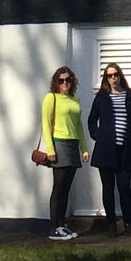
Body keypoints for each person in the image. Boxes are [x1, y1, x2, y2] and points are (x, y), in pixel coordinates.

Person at [87, 60, 131, 235]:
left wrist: (130, 140)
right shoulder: (102, 97)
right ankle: (111, 223)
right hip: (105, 151)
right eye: (109, 76)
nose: (113, 78)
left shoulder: (130, 96)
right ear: (106, 78)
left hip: (124, 151)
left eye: (115, 75)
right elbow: (91, 120)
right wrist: (98, 136)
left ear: (120, 76)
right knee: (108, 188)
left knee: (125, 187)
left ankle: (128, 223)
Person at [39, 65, 88, 241]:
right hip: (59, 143)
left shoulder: (74, 100)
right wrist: (50, 149)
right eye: (61, 80)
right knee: (58, 188)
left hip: (73, 144)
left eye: (68, 80)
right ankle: (53, 227)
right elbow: (45, 124)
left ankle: (61, 224)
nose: (65, 83)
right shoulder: (51, 98)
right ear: (56, 82)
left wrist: (84, 148)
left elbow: (79, 127)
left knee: (67, 188)